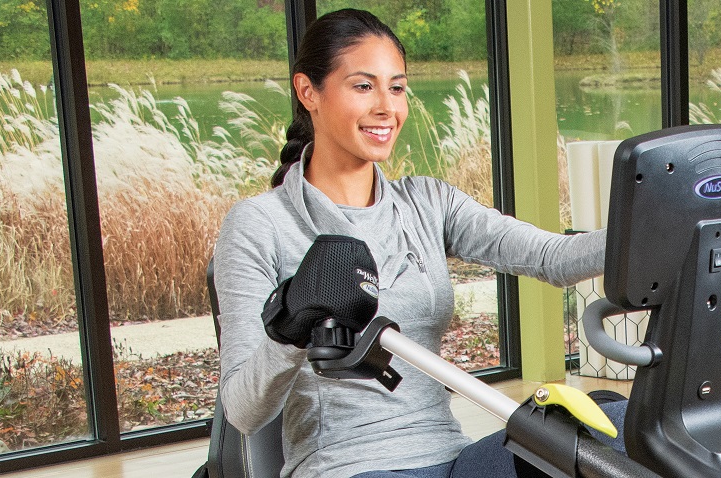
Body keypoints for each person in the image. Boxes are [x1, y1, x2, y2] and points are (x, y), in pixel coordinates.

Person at [212, 9, 618, 478]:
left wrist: (663, 231)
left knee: (622, 430)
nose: (387, 106)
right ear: (309, 92)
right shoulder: (259, 225)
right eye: (363, 86)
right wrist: (290, 327)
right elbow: (242, 411)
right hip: (347, 466)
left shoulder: (428, 202)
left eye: (397, 87)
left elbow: (554, 258)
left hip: (451, 458)